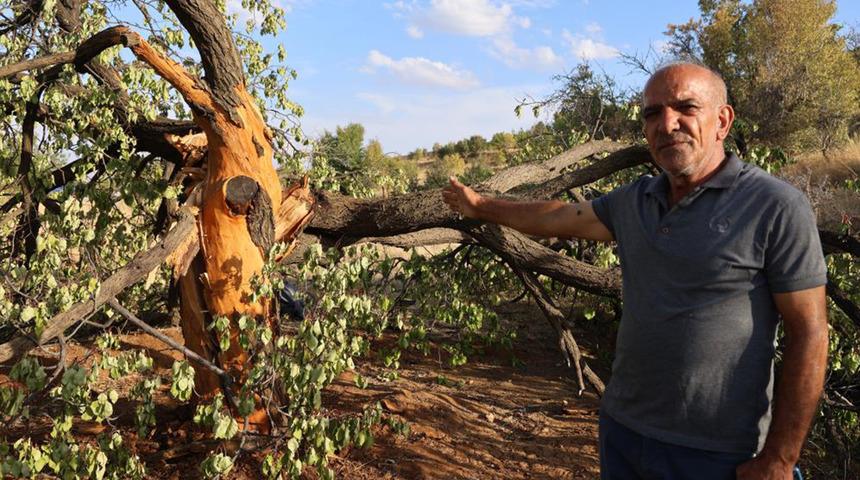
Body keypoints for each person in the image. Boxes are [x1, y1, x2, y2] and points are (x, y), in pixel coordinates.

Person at [442, 62, 828, 480]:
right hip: (625, 432)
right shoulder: (636, 200)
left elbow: (810, 332)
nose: (666, 124)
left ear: (722, 120)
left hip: (720, 452)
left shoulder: (774, 206)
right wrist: (481, 207)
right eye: (652, 113)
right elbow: (559, 216)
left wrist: (780, 459)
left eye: (686, 107)